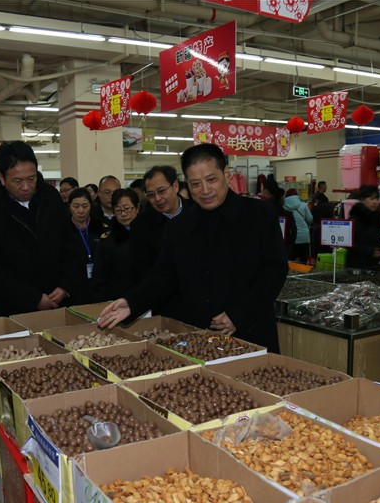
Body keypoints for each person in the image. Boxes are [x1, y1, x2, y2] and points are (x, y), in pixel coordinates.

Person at [98, 143, 287, 352]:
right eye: (195, 184)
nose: (205, 190)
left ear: (227, 174)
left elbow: (275, 270)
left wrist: (238, 314)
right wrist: (132, 302)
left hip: (252, 333)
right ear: (186, 184)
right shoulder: (179, 227)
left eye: (211, 180)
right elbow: (163, 276)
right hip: (198, 340)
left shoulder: (259, 215)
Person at [0, 141, 84, 316]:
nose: (26, 187)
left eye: (31, 178)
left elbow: (71, 245)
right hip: (14, 310)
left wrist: (65, 286)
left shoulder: (51, 197)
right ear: (2, 178)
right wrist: (34, 298)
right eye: (17, 181)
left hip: (59, 302)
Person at [129, 165, 192, 296]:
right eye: (151, 195)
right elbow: (141, 271)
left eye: (161, 191)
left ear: (175, 186)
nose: (157, 198)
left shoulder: (197, 212)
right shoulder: (140, 225)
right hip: (163, 298)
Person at [91, 189, 139, 302]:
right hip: (116, 300)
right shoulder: (107, 240)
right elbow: (99, 277)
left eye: (127, 209)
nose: (123, 214)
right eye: (118, 210)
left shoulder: (149, 235)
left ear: (137, 208)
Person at [67, 187, 104, 305]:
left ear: (91, 206)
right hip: (73, 288)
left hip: (98, 287)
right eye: (76, 206)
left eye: (85, 206)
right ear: (69, 206)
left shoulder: (99, 227)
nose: (81, 210)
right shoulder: (63, 229)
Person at [347, 184, 380, 270]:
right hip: (356, 265)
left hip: (372, 264)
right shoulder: (355, 218)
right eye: (371, 199)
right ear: (363, 200)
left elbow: (376, 238)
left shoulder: (377, 217)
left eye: (377, 199)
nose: (375, 202)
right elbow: (349, 243)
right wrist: (370, 251)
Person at [260, 179, 296, 259]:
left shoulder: (263, 210)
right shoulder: (286, 213)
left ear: (266, 191)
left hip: (267, 252)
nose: (261, 190)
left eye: (262, 188)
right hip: (283, 250)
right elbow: (294, 232)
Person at [283, 188, 313, 261]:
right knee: (303, 260)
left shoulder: (284, 207)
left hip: (290, 237)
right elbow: (310, 219)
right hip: (304, 236)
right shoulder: (303, 205)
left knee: (291, 260)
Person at [310, 191, 334, 259]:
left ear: (318, 199)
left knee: (317, 248)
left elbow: (312, 219)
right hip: (329, 229)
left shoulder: (316, 208)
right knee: (327, 247)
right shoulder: (330, 206)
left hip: (318, 230)